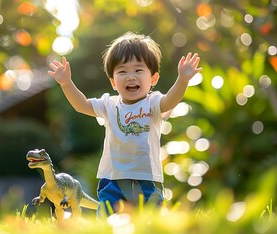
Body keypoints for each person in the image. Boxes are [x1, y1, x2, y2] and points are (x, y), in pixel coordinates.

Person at [47, 32, 202, 216]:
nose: (130, 76)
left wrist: (182, 80)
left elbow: (170, 101)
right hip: (113, 181)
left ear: (153, 79)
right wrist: (67, 83)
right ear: (113, 82)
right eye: (122, 71)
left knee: (151, 223)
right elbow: (82, 105)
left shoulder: (153, 103)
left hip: (147, 180)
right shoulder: (109, 104)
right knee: (107, 221)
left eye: (138, 70)